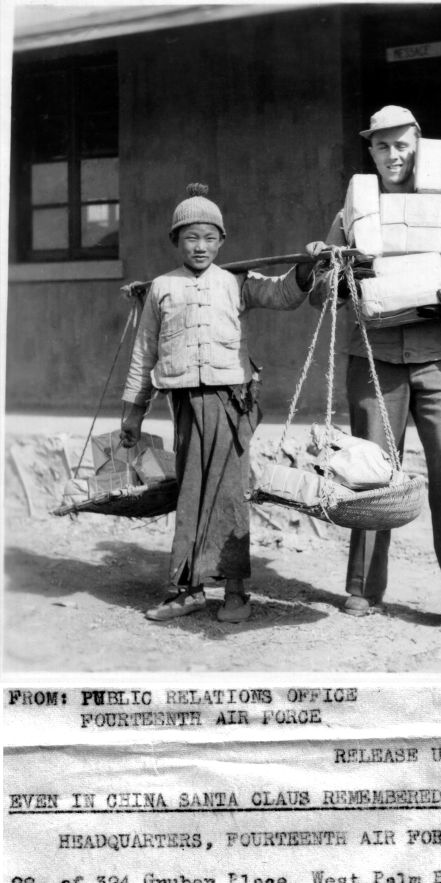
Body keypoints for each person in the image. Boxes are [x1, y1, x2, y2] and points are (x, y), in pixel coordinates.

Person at [312, 106, 441, 636]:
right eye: (382, 147)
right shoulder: (354, 210)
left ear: (419, 146)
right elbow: (322, 289)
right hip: (375, 359)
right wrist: (326, 269)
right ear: (369, 152)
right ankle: (363, 588)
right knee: (368, 475)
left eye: (402, 145)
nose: (393, 156)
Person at [120, 183, 315, 623]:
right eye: (191, 237)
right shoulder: (161, 289)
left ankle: (235, 592)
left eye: (210, 238)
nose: (201, 246)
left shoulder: (237, 283)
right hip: (185, 405)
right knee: (190, 492)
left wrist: (306, 267)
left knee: (228, 493)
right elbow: (144, 351)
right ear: (175, 241)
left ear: (222, 241)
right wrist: (134, 411)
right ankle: (186, 590)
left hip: (231, 402)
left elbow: (284, 293)